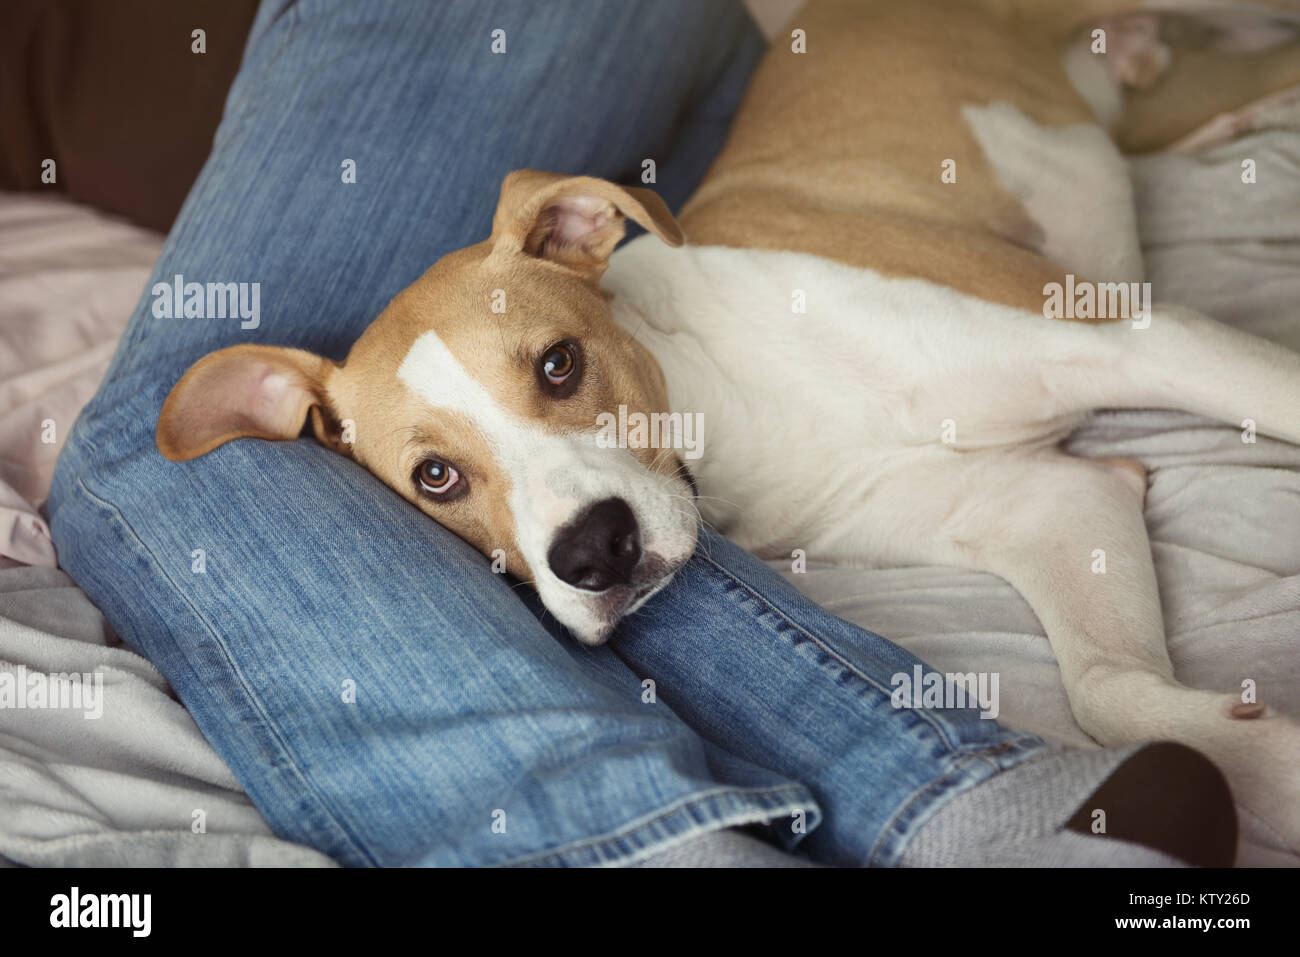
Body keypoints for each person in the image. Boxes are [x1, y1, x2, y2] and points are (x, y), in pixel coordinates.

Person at [47, 0, 1234, 867]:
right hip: (699, 60)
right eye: (446, 473)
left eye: (558, 373)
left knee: (127, 473)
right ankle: (945, 803)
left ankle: (678, 839)